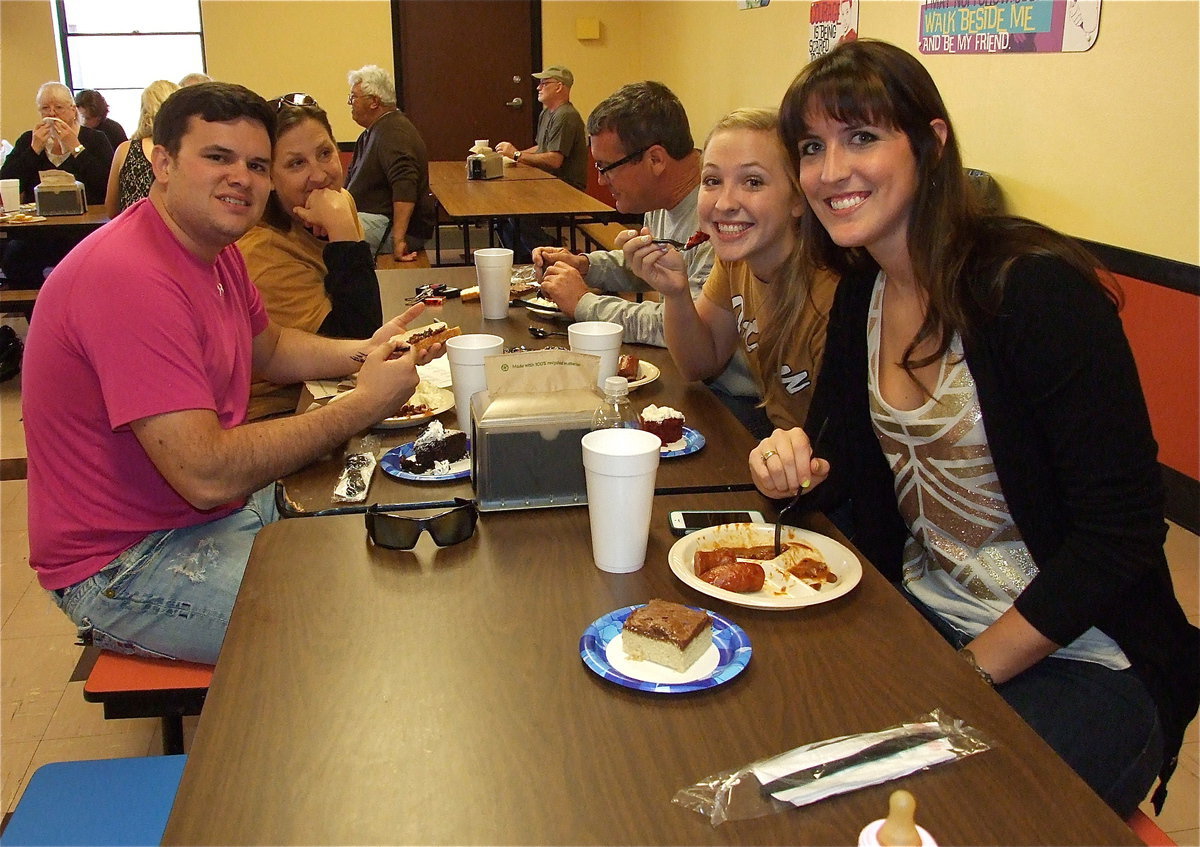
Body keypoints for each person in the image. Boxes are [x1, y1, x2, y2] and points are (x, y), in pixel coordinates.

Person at [754, 39, 1199, 816]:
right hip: (931, 621)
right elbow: (846, 464)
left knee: (932, 811)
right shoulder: (861, 296)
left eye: (862, 137)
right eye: (812, 148)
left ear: (930, 142)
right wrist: (796, 461)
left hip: (1090, 660)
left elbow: (1122, 533)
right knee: (777, 725)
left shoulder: (1032, 292)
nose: (831, 171)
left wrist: (966, 672)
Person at [21, 82, 443, 665]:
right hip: (127, 560)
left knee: (398, 540)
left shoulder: (211, 246)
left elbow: (268, 348)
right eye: (217, 157)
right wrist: (362, 404)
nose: (240, 177)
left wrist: (365, 352)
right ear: (161, 161)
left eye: (256, 164)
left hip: (210, 512)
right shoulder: (129, 279)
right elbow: (206, 474)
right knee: (358, 624)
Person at [533, 81, 765, 436]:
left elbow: (676, 322)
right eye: (712, 179)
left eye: (606, 166)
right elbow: (656, 270)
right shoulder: (664, 202)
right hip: (698, 380)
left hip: (735, 405)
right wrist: (588, 265)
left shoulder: (725, 222)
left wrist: (585, 305)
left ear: (656, 159)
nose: (599, 178)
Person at [618, 108, 837, 433]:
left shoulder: (833, 292)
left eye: (752, 181)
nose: (724, 203)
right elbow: (698, 364)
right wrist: (676, 294)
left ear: (798, 199)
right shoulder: (735, 261)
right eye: (713, 181)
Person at [237, 92, 382, 418]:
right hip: (279, 415)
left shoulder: (336, 203)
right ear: (269, 177)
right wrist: (344, 234)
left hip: (332, 392)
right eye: (296, 163)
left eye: (324, 153)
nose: (319, 175)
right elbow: (354, 343)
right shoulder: (264, 253)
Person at [0, 81, 114, 287]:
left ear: (72, 110)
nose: (52, 113)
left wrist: (77, 149)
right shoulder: (29, 140)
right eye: (45, 108)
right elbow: (7, 181)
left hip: (85, 231)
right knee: (13, 258)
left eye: (59, 108)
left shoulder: (94, 139)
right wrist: (34, 150)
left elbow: (107, 183)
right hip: (39, 232)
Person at [494, 65, 588, 263]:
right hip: (547, 184)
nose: (538, 87)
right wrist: (509, 156)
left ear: (559, 87)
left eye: (544, 83)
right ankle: (524, 256)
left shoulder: (566, 116)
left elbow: (554, 160)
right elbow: (541, 148)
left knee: (518, 211)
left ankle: (552, 252)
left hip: (566, 189)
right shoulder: (547, 114)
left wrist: (517, 154)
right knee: (503, 208)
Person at [344, 64, 437, 262]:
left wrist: (398, 239)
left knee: (323, 233)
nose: (350, 103)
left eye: (354, 98)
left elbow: (405, 186)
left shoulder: (394, 133)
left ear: (374, 102)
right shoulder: (372, 132)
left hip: (387, 225)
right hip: (373, 219)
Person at [104, 79, 179, 217]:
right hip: (173, 234)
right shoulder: (184, 152)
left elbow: (111, 210)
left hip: (131, 232)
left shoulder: (125, 151)